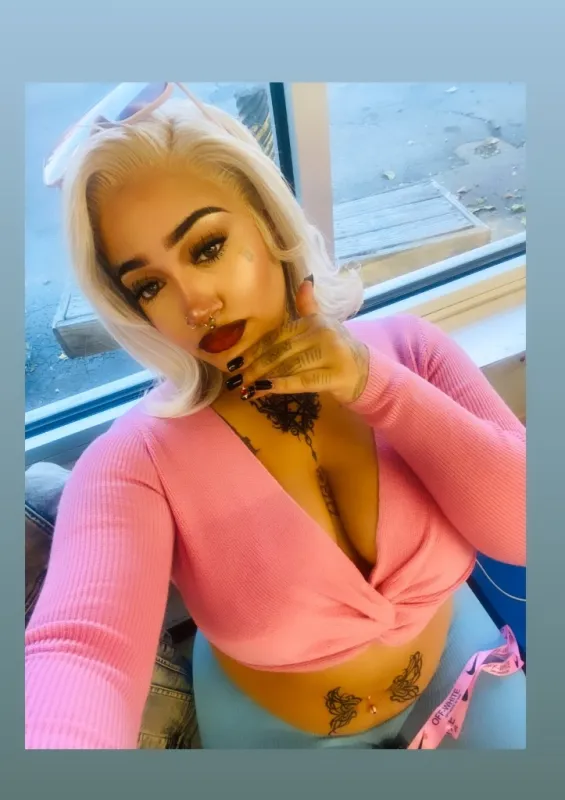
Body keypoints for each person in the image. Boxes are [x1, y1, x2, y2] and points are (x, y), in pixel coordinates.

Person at [25, 90, 526, 750]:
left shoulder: (411, 351)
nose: (193, 303)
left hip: (461, 673)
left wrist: (377, 387)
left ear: (267, 221)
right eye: (148, 285)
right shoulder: (134, 462)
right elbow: (81, 648)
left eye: (206, 247)